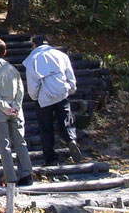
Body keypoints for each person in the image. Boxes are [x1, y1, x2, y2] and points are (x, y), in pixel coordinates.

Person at [24, 35, 85, 166]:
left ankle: (51, 158)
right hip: (61, 92)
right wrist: (71, 88)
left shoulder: (33, 59)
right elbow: (70, 73)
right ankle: (71, 139)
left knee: (45, 127)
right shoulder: (61, 55)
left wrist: (35, 97)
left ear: (34, 45)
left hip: (44, 96)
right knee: (66, 120)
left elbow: (32, 82)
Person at [0, 37, 34, 187]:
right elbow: (21, 89)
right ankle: (27, 174)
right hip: (16, 109)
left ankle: (11, 177)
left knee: (4, 145)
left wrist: (5, 107)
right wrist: (16, 106)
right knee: (20, 141)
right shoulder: (13, 69)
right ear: (5, 52)